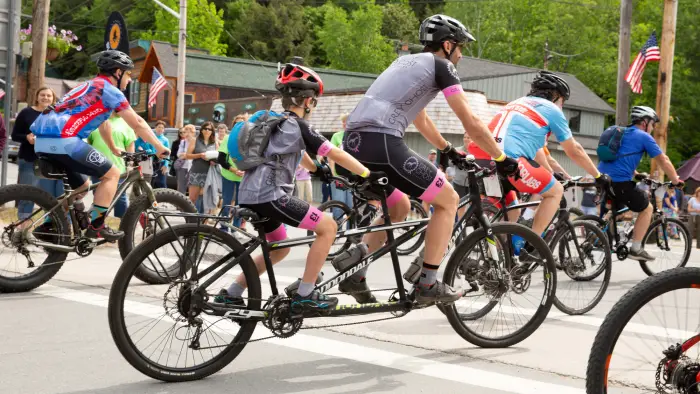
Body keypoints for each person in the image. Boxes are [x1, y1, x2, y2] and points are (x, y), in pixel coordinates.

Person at [332, 14, 520, 305]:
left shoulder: (403, 63)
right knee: (447, 200)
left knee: (399, 205)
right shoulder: (442, 65)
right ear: (447, 45)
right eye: (460, 47)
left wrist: (445, 148)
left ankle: (355, 271)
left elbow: (419, 116)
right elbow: (469, 121)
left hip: (353, 143)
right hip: (382, 141)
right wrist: (501, 157)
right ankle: (428, 283)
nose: (461, 54)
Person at [214, 62, 381, 314]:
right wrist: (368, 173)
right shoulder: (299, 125)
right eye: (314, 100)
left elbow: (296, 152)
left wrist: (316, 169)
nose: (314, 105)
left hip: (249, 193)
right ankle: (306, 294)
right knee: (328, 227)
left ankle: (231, 293)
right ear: (307, 100)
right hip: (271, 195)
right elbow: (334, 152)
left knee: (280, 247)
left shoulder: (273, 120)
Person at [30, 50, 169, 241]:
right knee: (112, 174)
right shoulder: (111, 91)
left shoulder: (87, 86)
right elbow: (137, 122)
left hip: (42, 142)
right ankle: (97, 226)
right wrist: (159, 147)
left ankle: (49, 224)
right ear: (118, 72)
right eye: (128, 74)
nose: (129, 80)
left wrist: (112, 148)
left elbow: (102, 123)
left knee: (83, 187)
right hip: (65, 141)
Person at [468, 70, 610, 252]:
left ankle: (504, 259)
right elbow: (574, 150)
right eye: (563, 102)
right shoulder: (551, 110)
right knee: (555, 191)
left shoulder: (516, 103)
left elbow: (536, 152)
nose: (562, 106)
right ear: (556, 96)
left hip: (482, 158)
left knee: (514, 215)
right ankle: (532, 244)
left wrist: (549, 173)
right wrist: (597, 175)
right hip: (507, 160)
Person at [597, 106, 684, 261]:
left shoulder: (621, 132)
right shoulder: (643, 136)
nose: (653, 127)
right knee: (646, 208)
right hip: (620, 182)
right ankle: (636, 248)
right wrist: (676, 180)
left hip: (602, 179)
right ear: (645, 122)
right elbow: (663, 160)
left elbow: (620, 158)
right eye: (652, 123)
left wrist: (636, 174)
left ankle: (599, 235)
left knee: (615, 209)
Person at [11, 86, 63, 218]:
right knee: (27, 194)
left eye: (48, 96)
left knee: (49, 196)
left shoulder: (57, 115)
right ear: (37, 97)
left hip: (50, 160)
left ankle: (49, 224)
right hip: (29, 159)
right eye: (42, 95)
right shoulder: (26, 113)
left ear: (53, 99)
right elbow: (15, 135)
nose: (45, 98)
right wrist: (27, 138)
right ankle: (23, 225)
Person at [87, 112, 136, 219]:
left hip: (118, 167)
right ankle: (97, 223)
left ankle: (122, 222)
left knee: (119, 197)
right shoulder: (95, 121)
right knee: (98, 196)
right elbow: (89, 142)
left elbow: (130, 145)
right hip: (97, 166)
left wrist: (130, 163)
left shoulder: (125, 123)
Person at [218, 114, 248, 231]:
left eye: (242, 123)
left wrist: (245, 170)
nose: (239, 126)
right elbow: (221, 159)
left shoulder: (248, 140)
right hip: (229, 175)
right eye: (236, 123)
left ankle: (236, 228)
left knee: (241, 203)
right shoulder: (227, 138)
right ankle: (224, 228)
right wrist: (235, 170)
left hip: (243, 176)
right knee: (227, 201)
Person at [184, 121, 218, 213]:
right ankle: (189, 221)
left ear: (212, 131)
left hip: (209, 173)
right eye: (205, 128)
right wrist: (200, 155)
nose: (207, 130)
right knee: (192, 199)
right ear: (202, 130)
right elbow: (187, 155)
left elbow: (218, 157)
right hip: (196, 172)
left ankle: (203, 223)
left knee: (206, 200)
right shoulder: (195, 140)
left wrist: (214, 161)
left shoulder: (215, 142)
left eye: (209, 129)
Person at [170, 126, 192, 194]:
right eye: (181, 132)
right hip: (180, 165)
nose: (182, 134)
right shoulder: (178, 142)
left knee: (191, 187)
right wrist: (183, 155)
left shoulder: (194, 141)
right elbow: (176, 154)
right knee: (181, 186)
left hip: (191, 165)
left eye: (184, 132)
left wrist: (185, 155)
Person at [150, 120, 170, 189]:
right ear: (155, 128)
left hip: (161, 163)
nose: (160, 129)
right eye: (159, 127)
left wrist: (165, 165)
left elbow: (167, 153)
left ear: (164, 130)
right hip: (151, 162)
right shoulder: (151, 137)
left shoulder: (165, 140)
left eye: (162, 128)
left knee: (161, 183)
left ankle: (163, 199)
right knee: (152, 183)